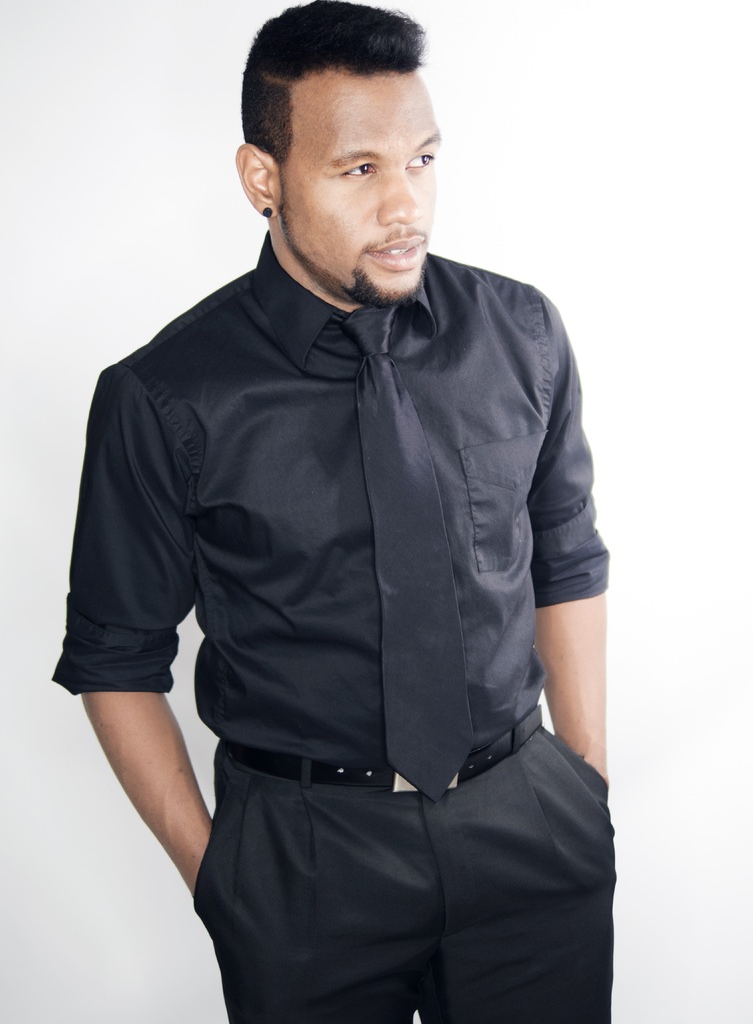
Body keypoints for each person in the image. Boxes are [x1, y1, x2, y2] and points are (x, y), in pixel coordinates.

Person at [53, 2, 615, 1021]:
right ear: (262, 178)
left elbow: (566, 557)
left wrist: (585, 785)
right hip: (307, 861)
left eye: (423, 160)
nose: (405, 205)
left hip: (526, 829)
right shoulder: (166, 397)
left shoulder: (521, 332)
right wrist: (222, 881)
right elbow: (114, 660)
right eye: (359, 169)